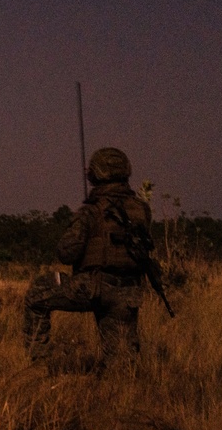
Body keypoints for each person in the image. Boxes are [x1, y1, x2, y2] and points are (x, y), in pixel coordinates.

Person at [23, 147, 153, 371]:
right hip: (129, 292)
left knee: (36, 295)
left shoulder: (91, 212)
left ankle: (40, 365)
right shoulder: (141, 209)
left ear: (96, 174)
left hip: (93, 287)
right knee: (121, 365)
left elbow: (66, 252)